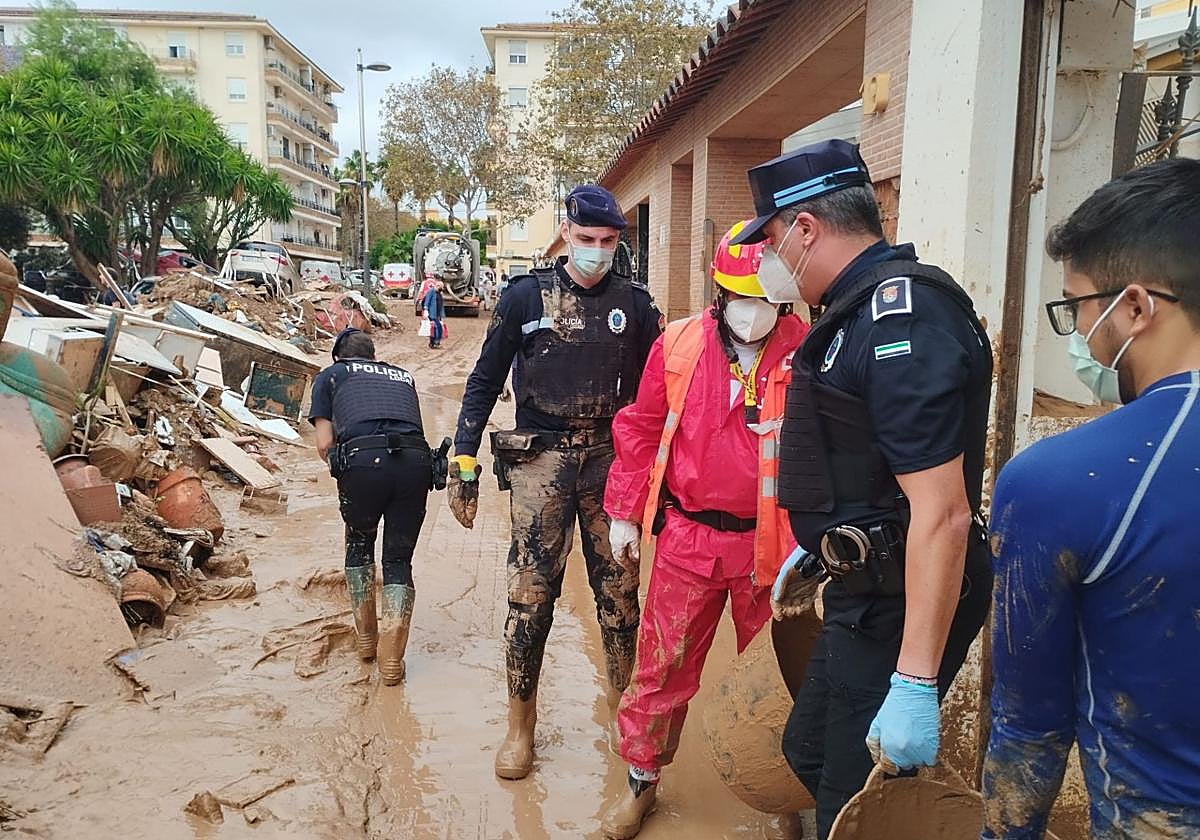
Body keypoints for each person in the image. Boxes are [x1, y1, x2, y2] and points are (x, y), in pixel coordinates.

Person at [729, 139, 994, 838]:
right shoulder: (855, 312)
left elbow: (942, 513)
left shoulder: (898, 319)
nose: (768, 263)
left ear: (807, 229)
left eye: (772, 243)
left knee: (856, 804)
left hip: (900, 599)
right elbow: (870, 462)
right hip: (865, 584)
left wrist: (914, 682)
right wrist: (822, 547)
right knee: (807, 750)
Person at [982, 158, 1200, 838]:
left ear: (1134, 306)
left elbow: (1030, 727)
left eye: (1077, 305)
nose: (1079, 331)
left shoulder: (1063, 481)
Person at [598, 221, 809, 839]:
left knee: (779, 675)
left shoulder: (809, 348)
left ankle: (783, 797)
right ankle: (640, 782)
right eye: (744, 299)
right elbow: (639, 428)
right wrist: (623, 511)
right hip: (689, 538)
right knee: (661, 667)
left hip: (775, 545)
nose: (755, 313)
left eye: (767, 300)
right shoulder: (681, 344)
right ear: (720, 294)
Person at [447, 185, 662, 781]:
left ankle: (625, 718)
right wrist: (462, 456)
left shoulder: (636, 306)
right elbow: (485, 378)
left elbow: (652, 400)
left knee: (620, 595)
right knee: (530, 596)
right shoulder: (524, 298)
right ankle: (520, 727)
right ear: (567, 233)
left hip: (609, 463)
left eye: (609, 242)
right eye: (587, 239)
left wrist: (657, 480)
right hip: (541, 460)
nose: (597, 252)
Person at [308, 328, 433, 685]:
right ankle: (392, 659)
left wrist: (347, 474)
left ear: (338, 357)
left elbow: (324, 443)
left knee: (360, 543)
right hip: (416, 463)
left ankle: (367, 639)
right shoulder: (403, 376)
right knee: (397, 559)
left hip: (364, 463)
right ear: (373, 357)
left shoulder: (331, 376)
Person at [422, 279, 445, 349]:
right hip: (432, 313)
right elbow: (427, 300)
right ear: (437, 286)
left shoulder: (439, 293)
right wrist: (426, 310)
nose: (440, 288)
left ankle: (435, 343)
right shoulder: (431, 291)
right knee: (435, 328)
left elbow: (441, 305)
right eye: (439, 286)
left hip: (437, 314)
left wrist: (441, 316)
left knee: (438, 328)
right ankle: (434, 343)